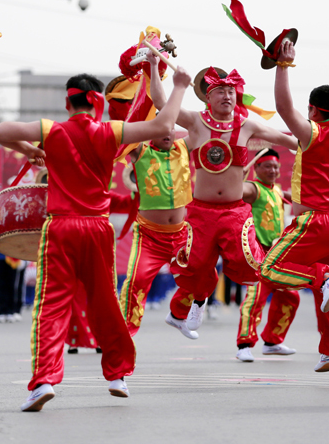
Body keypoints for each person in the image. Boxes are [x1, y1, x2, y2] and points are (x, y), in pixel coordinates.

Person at [0, 65, 192, 412]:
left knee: (51, 307)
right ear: (96, 101)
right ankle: (117, 375)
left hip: (61, 228)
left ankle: (44, 382)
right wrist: (179, 86)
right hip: (98, 228)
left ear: (68, 103)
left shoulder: (51, 130)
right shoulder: (110, 131)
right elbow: (163, 126)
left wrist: (29, 150)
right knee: (105, 302)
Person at [150, 62, 296, 336]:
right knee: (192, 265)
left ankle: (197, 303)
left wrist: (319, 143)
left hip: (234, 211)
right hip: (200, 212)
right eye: (220, 91)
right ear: (208, 96)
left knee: (248, 263)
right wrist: (154, 67)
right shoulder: (194, 122)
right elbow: (159, 100)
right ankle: (198, 301)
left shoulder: (247, 125)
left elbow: (286, 138)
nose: (227, 96)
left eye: (231, 90)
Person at [258, 37, 329, 373]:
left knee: (269, 268)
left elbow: (283, 107)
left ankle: (321, 277)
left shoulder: (312, 134)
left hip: (316, 222)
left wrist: (283, 66)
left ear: (312, 109)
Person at [117, 114, 196, 339]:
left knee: (201, 275)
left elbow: (204, 129)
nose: (167, 133)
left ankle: (178, 315)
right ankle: (124, 336)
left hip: (181, 234)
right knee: (136, 282)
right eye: (161, 128)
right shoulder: (140, 151)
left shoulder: (183, 148)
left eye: (171, 129)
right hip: (149, 237)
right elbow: (124, 129)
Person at [234, 148, 300, 362]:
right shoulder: (254, 189)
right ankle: (244, 343)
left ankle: (273, 341)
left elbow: (301, 200)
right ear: (257, 168)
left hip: (278, 256)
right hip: (259, 254)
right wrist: (239, 176)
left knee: (290, 295)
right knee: (255, 298)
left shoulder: (278, 190)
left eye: (276, 167)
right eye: (268, 166)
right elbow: (235, 190)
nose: (273, 170)